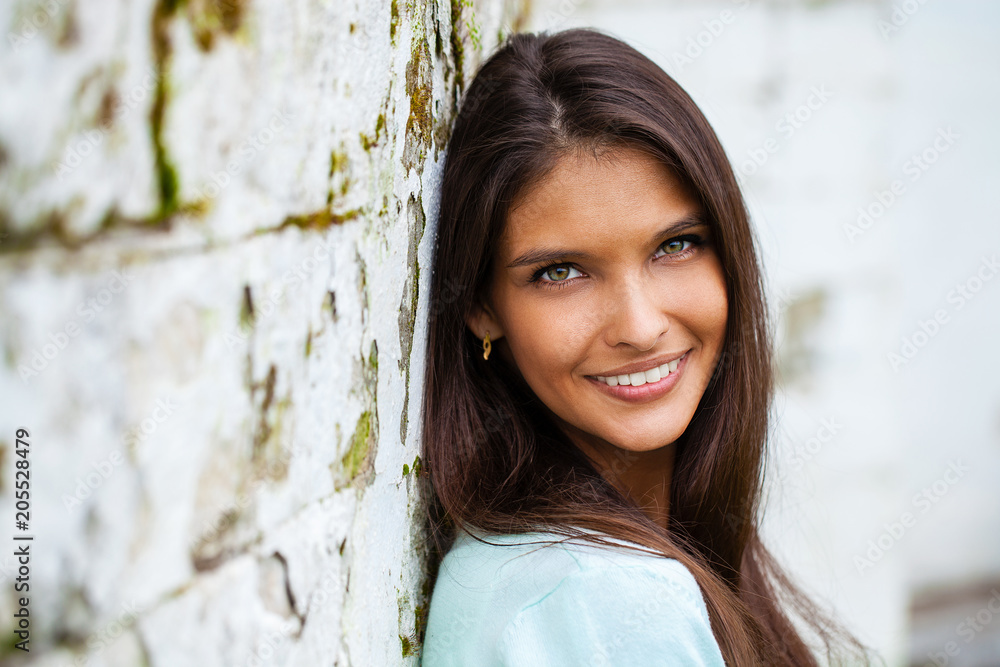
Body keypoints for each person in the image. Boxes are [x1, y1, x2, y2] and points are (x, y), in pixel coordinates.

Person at [419, 27, 875, 666]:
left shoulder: (532, 565)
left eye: (676, 245)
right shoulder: (600, 598)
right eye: (560, 272)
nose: (639, 325)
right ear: (481, 306)